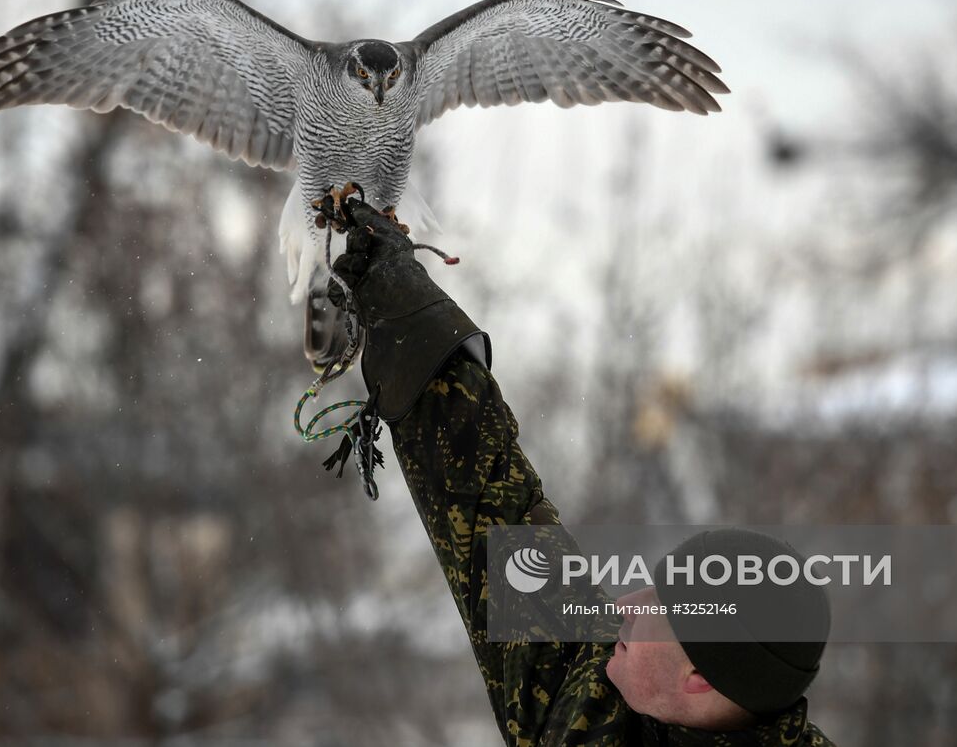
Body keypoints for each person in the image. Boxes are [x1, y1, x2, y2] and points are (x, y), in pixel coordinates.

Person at [328, 199, 834, 746]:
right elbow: (492, 516)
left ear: (699, 678)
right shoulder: (598, 701)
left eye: (660, 609)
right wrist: (410, 318)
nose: (623, 606)